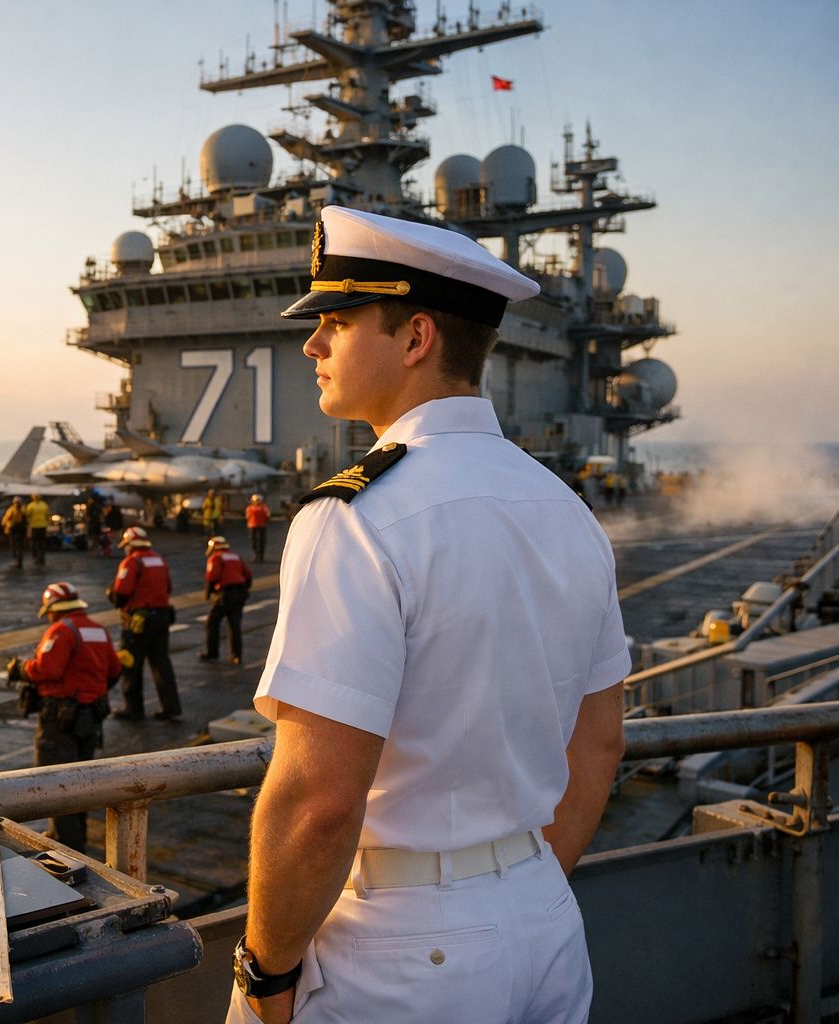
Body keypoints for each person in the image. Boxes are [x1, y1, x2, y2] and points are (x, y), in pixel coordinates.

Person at [229, 206, 628, 1024]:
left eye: (336, 323)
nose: (312, 345)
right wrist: (515, 888)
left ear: (414, 339)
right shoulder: (566, 510)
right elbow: (601, 741)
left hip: (404, 953)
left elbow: (319, 803)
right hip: (546, 921)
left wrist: (263, 978)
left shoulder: (356, 519)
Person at [6, 581, 120, 852]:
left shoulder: (61, 631)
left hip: (60, 720)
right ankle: (74, 834)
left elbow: (48, 670)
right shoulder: (98, 630)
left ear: (54, 608)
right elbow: (114, 669)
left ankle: (66, 844)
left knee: (56, 779)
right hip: (90, 718)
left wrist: (21, 668)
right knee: (81, 777)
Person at [107, 526, 180, 722]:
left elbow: (120, 596)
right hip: (162, 617)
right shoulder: (159, 560)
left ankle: (133, 708)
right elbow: (169, 587)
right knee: (161, 663)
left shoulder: (131, 562)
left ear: (130, 544)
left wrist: (111, 595)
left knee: (130, 663)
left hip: (138, 623)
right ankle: (170, 707)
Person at [200, 536, 251, 664]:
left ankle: (212, 653)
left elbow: (212, 577)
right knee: (234, 625)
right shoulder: (235, 556)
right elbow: (248, 575)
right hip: (240, 593)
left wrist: (208, 593)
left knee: (212, 622)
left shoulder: (216, 558)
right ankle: (236, 656)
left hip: (225, 594)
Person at [24, 493, 51, 566]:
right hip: (43, 526)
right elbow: (47, 515)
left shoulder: (31, 505)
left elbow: (27, 515)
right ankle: (42, 557)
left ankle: (35, 557)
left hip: (34, 526)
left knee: (34, 542)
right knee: (42, 542)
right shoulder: (44, 505)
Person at [1, 496, 27, 568]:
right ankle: (19, 560)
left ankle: (17, 559)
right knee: (19, 545)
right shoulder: (23, 509)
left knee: (14, 545)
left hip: (14, 529)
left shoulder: (12, 509)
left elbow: (5, 520)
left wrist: (7, 525)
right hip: (20, 529)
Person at [245, 493, 272, 562]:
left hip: (262, 526)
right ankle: (256, 554)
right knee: (253, 541)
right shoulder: (249, 508)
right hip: (252, 526)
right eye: (255, 500)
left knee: (261, 541)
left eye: (258, 500)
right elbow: (247, 517)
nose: (256, 502)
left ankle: (260, 556)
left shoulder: (264, 508)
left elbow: (268, 516)